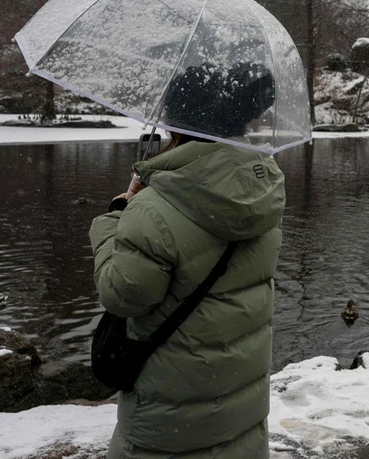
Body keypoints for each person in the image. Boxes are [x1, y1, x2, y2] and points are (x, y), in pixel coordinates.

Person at [88, 62, 285, 459]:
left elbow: (122, 296)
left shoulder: (153, 210)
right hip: (240, 410)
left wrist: (113, 220)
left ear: (178, 124)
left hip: (170, 422)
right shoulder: (264, 192)